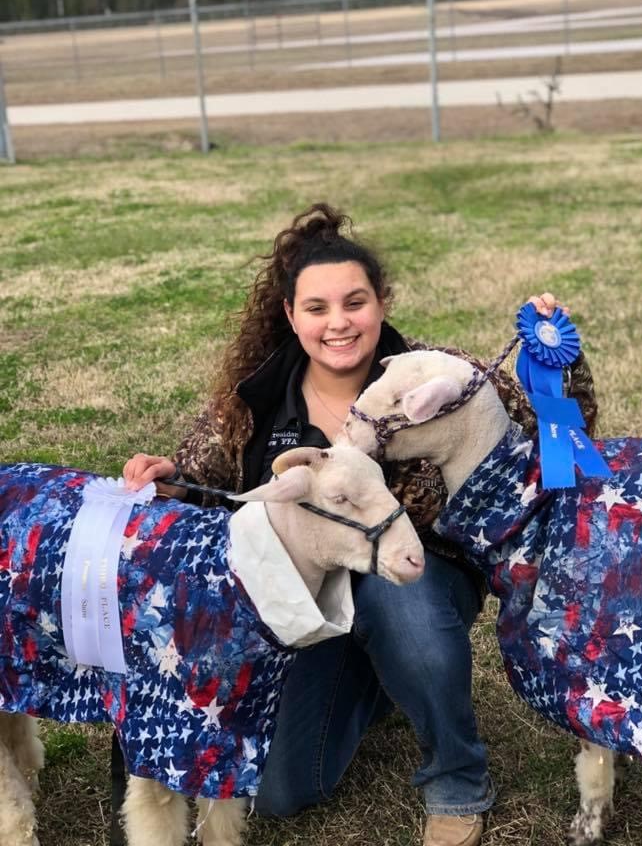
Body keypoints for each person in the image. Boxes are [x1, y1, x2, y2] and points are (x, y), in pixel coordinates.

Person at [124, 203, 598, 846]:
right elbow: (203, 492)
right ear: (291, 316)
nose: (338, 323)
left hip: (414, 578)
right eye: (317, 308)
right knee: (283, 790)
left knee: (397, 602)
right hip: (300, 608)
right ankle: (376, 685)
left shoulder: (432, 376)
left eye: (355, 302)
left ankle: (456, 776)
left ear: (381, 304)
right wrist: (168, 478)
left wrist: (560, 361)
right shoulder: (255, 399)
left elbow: (560, 438)